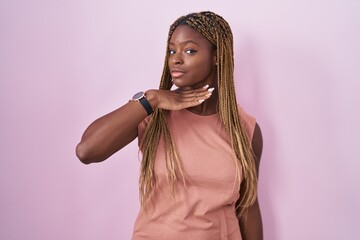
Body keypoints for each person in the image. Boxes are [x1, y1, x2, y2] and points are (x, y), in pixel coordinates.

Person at [76, 11, 263, 240]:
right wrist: (151, 99)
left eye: (190, 50)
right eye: (172, 50)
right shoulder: (152, 115)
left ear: (217, 56)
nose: (175, 59)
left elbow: (247, 206)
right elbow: (87, 151)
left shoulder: (244, 129)